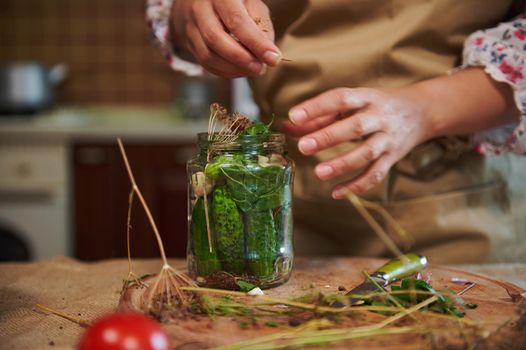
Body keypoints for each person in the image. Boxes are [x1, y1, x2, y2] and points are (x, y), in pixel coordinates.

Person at [147, 0, 526, 263]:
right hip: (279, 207)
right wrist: (193, 15)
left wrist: (424, 109)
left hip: (459, 211)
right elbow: (180, 13)